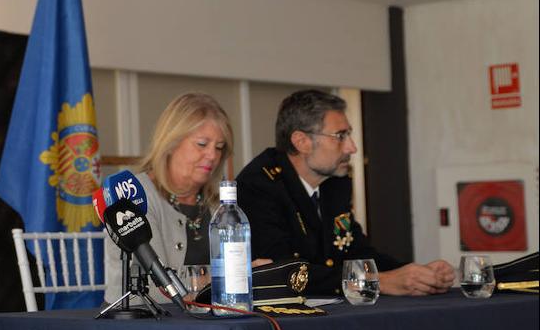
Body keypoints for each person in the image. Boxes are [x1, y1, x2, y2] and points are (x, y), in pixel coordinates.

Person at [237, 89, 455, 297]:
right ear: (301, 141)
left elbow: (356, 253)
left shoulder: (334, 182)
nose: (352, 148)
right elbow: (283, 271)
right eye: (340, 136)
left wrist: (415, 274)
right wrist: (381, 281)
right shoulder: (258, 186)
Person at [104, 93, 237, 303]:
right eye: (202, 144)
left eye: (219, 148)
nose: (212, 155)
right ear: (171, 142)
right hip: (144, 324)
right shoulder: (134, 194)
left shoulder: (218, 202)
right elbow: (158, 289)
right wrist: (231, 277)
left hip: (203, 322)